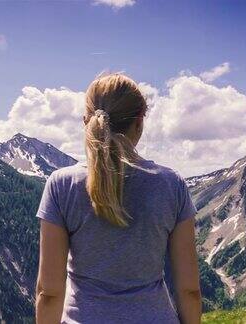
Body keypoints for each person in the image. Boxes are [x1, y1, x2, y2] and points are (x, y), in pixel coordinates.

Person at [34, 72, 202, 323]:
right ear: (139, 123)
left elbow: (49, 292)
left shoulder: (61, 185)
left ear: (85, 121)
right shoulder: (172, 184)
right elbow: (189, 290)